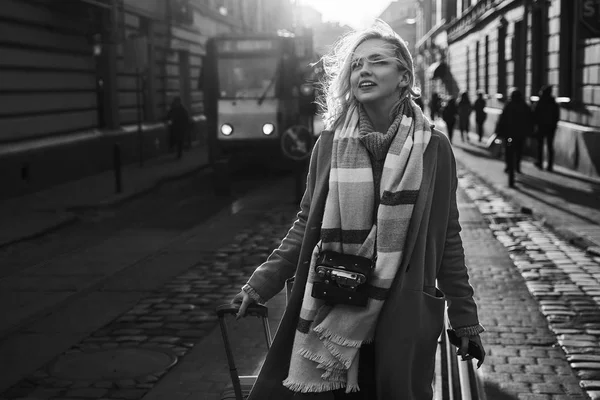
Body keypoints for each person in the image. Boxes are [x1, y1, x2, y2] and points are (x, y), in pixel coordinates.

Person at [232, 20, 485, 400]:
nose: (363, 70)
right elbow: (306, 224)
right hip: (334, 305)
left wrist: (465, 319)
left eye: (378, 62)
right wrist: (261, 283)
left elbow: (447, 237)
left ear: (403, 76)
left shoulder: (434, 148)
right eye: (356, 64)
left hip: (401, 308)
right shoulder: (330, 143)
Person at [495, 88, 534, 175]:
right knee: (519, 150)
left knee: (508, 150)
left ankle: (509, 166)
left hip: (509, 133)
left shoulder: (509, 105)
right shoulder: (524, 105)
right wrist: (529, 132)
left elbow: (502, 119)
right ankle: (517, 166)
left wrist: (498, 131)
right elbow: (530, 120)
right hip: (520, 134)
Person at [533, 85, 560, 172]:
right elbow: (556, 115)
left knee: (540, 145)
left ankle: (540, 162)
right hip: (551, 127)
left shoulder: (540, 102)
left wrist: (535, 124)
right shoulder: (553, 102)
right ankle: (549, 165)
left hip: (541, 126)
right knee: (550, 146)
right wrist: (554, 124)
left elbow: (535, 114)